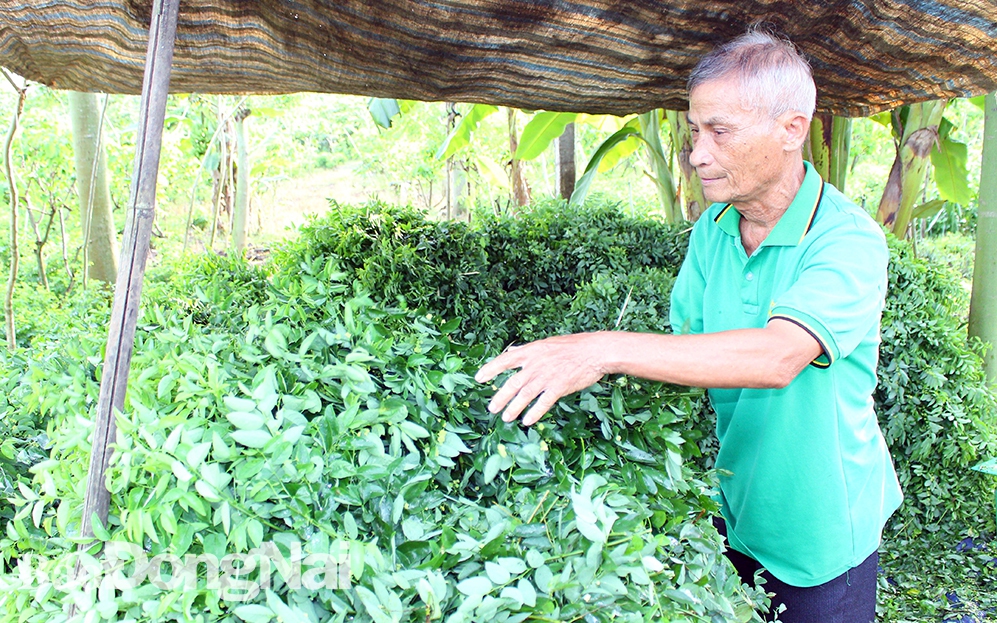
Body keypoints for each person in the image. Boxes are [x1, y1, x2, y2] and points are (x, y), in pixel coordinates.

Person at [475, 27, 902, 623]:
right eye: (694, 132)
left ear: (791, 130)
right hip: (732, 506)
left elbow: (778, 357)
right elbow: (690, 349)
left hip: (819, 529)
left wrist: (602, 349)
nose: (698, 154)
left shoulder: (846, 239)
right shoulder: (714, 230)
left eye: (719, 132)